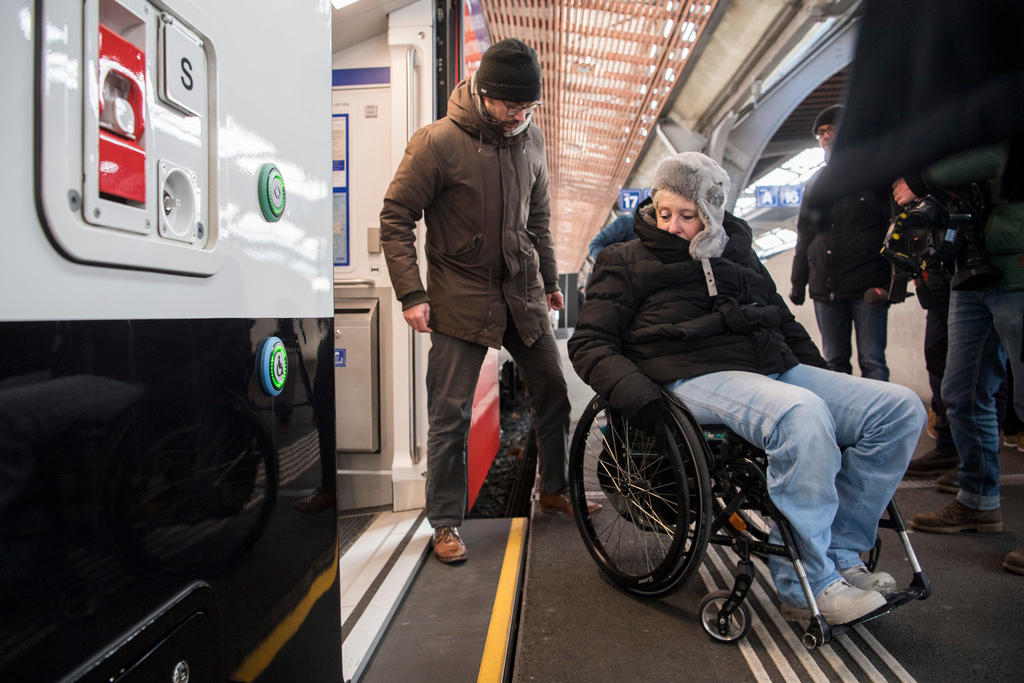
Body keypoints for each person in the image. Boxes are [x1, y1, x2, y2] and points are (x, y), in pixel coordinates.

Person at [569, 152, 925, 624]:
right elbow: (590, 342)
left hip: (768, 367)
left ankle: (840, 554)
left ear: (712, 213)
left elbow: (783, 322)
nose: (672, 225)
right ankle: (807, 587)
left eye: (687, 215)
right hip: (689, 376)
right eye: (663, 212)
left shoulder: (738, 253)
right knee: (800, 414)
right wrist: (634, 390)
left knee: (898, 409)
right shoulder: (624, 259)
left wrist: (826, 378)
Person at [379, 38, 599, 564]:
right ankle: (446, 524)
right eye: (508, 105)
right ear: (483, 91)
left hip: (521, 294)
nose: (517, 116)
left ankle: (554, 489)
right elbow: (395, 218)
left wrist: (549, 280)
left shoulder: (533, 141)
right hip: (460, 295)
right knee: (449, 413)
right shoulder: (436, 142)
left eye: (527, 107)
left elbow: (538, 220)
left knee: (553, 392)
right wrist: (412, 292)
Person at [904, 143, 1024, 577]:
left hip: (1018, 266)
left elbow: (1004, 153)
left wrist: (922, 178)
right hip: (971, 268)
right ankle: (977, 502)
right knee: (961, 392)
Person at [790, 105, 894, 380]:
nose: (824, 136)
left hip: (868, 286)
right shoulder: (815, 183)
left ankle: (881, 421)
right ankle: (847, 422)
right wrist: (798, 282)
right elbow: (805, 235)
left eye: (830, 129)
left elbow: (894, 226)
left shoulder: (874, 174)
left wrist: (892, 282)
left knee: (872, 361)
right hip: (826, 288)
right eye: (821, 132)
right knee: (835, 364)